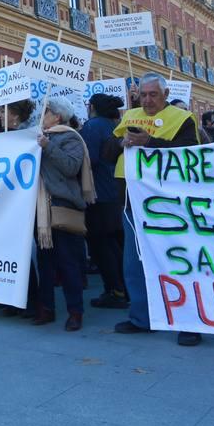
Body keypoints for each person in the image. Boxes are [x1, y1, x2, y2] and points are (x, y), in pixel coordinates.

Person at [109, 74, 199, 344]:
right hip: (130, 196)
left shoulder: (182, 118)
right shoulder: (130, 116)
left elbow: (189, 152)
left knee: (175, 258)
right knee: (134, 260)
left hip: (168, 199)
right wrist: (120, 143)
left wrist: (150, 142)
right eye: (143, 95)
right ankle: (142, 316)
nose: (147, 100)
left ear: (166, 93)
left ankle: (189, 321)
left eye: (153, 94)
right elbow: (107, 151)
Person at [33, 96, 94, 330]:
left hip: (63, 205)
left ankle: (75, 311)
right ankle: (46, 308)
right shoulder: (36, 137)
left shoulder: (71, 137)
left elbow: (70, 166)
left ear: (57, 116)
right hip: (40, 209)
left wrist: (48, 147)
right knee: (45, 262)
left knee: (68, 264)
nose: (42, 116)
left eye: (45, 112)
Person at [79, 93, 126, 310]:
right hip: (116, 190)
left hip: (98, 192)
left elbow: (89, 158)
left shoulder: (92, 126)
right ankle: (122, 287)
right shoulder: (116, 124)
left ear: (92, 107)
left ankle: (114, 290)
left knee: (101, 245)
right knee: (116, 243)